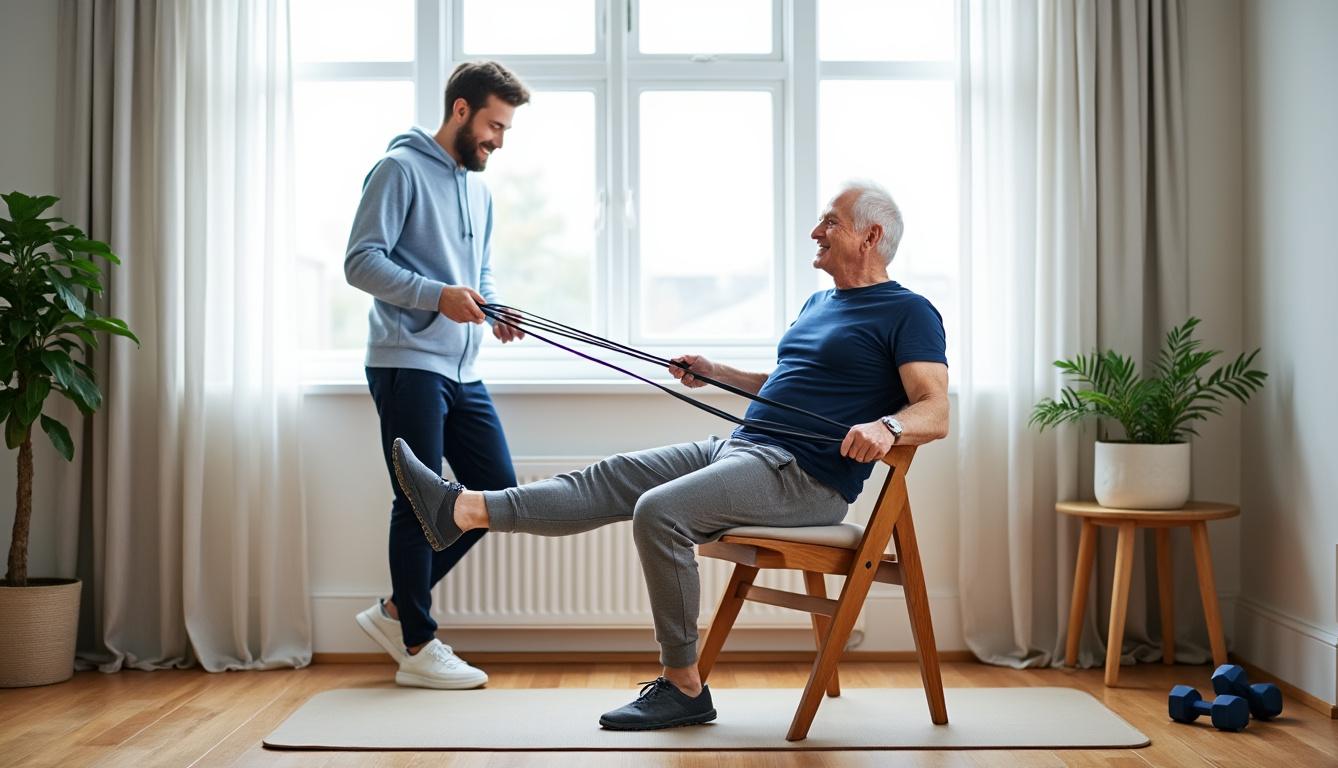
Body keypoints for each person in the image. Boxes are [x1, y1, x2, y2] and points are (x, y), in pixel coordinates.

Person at [393, 181, 949, 728]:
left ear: (871, 235)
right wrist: (717, 373)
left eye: (831, 222)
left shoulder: (908, 312)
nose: (816, 232)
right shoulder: (819, 303)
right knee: (613, 476)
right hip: (742, 448)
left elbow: (936, 410)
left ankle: (684, 685)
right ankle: (462, 511)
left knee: (659, 511)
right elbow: (785, 383)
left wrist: (887, 426)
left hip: (803, 478)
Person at [344, 61, 530, 690]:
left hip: (462, 368)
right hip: (405, 362)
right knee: (417, 500)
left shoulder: (479, 189)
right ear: (460, 110)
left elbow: (477, 275)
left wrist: (493, 307)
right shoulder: (398, 169)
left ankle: (397, 609)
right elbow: (360, 262)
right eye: (493, 125)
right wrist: (436, 296)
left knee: (496, 493)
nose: (498, 140)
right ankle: (418, 642)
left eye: (504, 129)